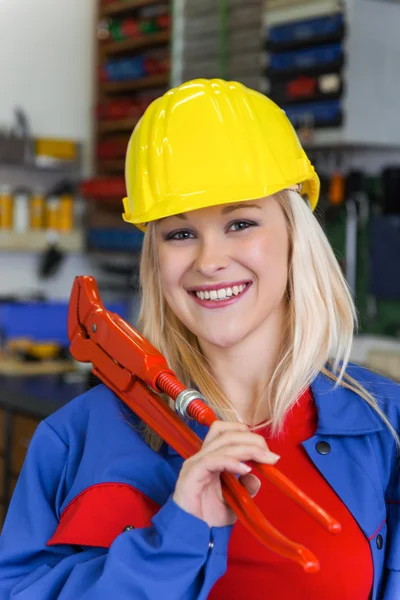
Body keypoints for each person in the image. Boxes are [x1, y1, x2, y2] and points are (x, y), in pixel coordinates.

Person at [0, 79, 399, 600]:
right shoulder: (73, 440)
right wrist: (177, 533)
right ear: (155, 257)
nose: (209, 261)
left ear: (295, 237)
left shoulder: (384, 424)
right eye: (180, 233)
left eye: (240, 222)